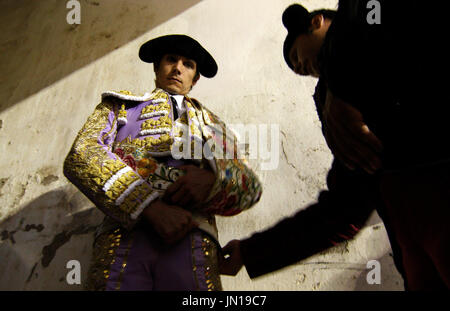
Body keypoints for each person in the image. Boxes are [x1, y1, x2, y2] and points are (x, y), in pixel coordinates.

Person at [220, 3, 450, 290]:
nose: (299, 68)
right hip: (415, 253)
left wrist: (341, 80)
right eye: (295, 69)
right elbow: (345, 208)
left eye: (296, 56)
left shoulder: (387, 32)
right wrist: (251, 251)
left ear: (317, 22)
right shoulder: (337, 111)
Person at [63, 34, 262, 291]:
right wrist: (148, 206)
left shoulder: (215, 126)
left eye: (188, 64)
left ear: (196, 78)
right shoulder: (119, 105)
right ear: (157, 67)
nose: (178, 68)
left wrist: (214, 181)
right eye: (171, 60)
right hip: (124, 232)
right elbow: (83, 152)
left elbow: (250, 188)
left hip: (194, 237)